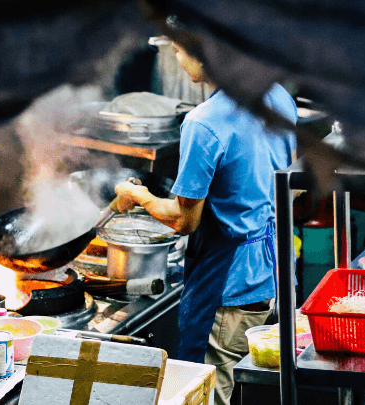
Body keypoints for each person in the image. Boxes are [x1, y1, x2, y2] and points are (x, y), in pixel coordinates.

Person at [110, 40, 297, 405]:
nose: (177, 60)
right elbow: (281, 184)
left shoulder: (203, 123)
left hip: (228, 286)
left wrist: (139, 196)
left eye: (179, 51)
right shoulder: (276, 96)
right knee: (254, 390)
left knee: (208, 394)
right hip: (276, 272)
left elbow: (184, 221)